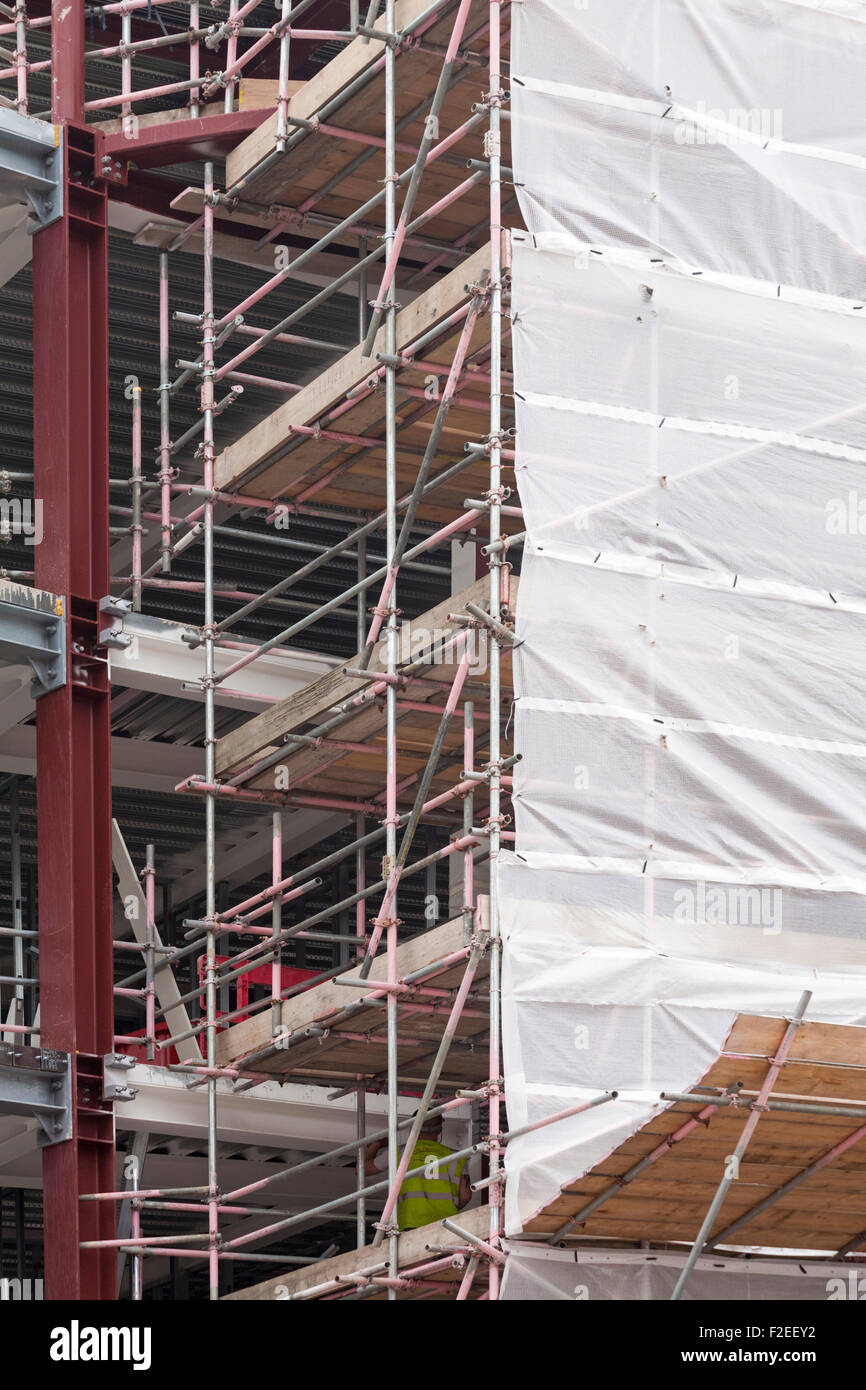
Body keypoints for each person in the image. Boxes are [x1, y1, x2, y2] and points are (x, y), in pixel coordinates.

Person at [365, 1112, 472, 1231]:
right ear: (440, 1130)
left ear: (413, 1128)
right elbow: (466, 1196)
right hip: (447, 1224)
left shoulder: (399, 1153)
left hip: (409, 1222)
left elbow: (362, 1170)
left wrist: (376, 1145)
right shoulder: (458, 1157)